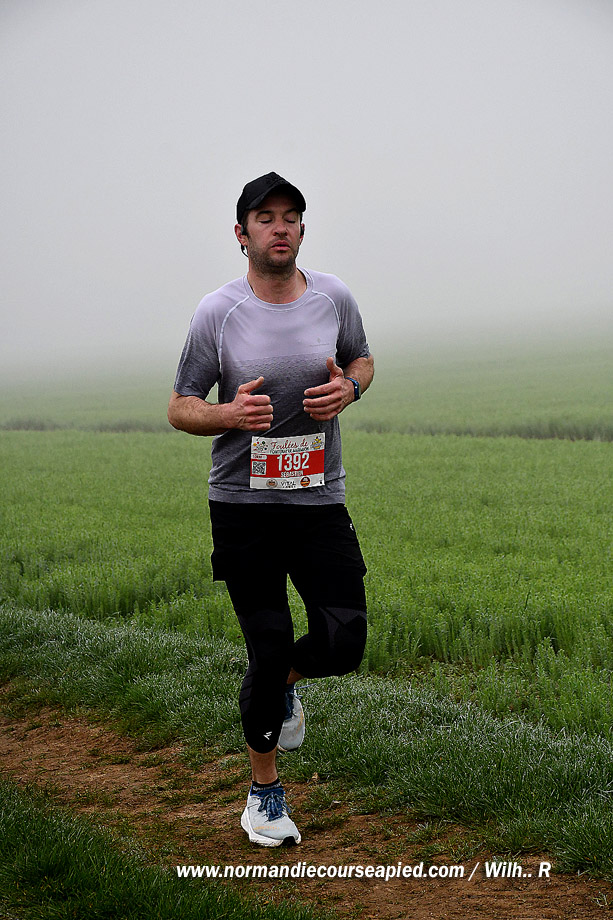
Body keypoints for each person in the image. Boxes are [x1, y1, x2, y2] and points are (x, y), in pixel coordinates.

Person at [168, 172, 374, 847]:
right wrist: (228, 414)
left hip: (318, 501)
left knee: (343, 641)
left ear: (302, 230)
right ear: (242, 234)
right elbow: (180, 405)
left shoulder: (334, 296)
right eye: (265, 218)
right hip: (243, 508)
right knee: (268, 642)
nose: (279, 227)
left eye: (290, 217)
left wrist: (348, 389)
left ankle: (282, 683)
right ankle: (263, 796)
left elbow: (362, 360)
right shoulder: (217, 311)